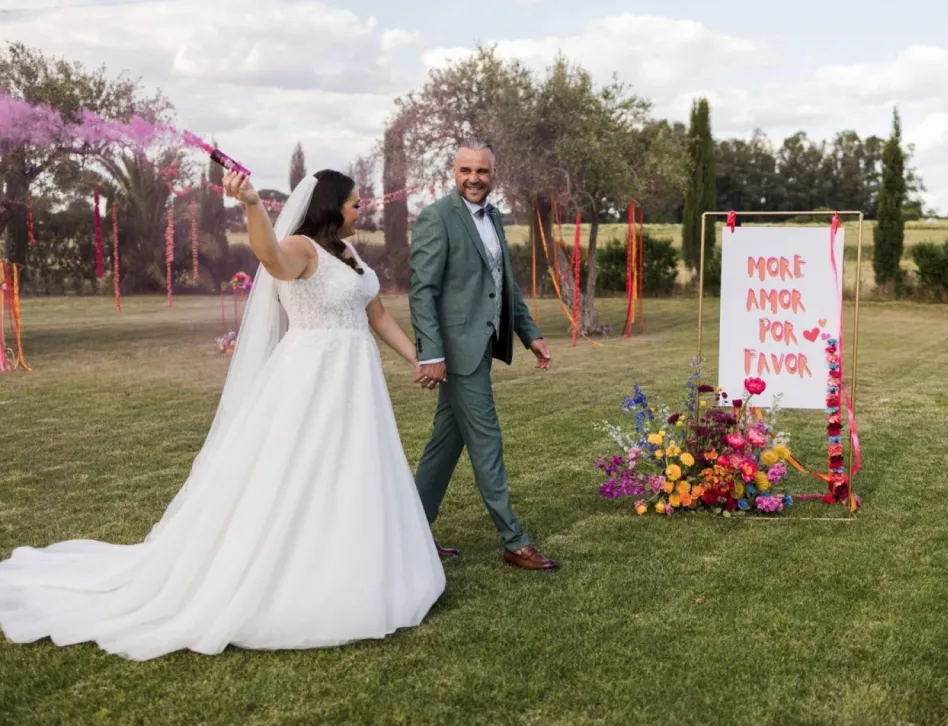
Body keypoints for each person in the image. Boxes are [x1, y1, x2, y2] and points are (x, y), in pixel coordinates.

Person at [0, 170, 445, 661]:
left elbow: (377, 315)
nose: (363, 211)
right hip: (312, 379)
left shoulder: (350, 255)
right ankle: (294, 576)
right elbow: (269, 258)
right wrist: (253, 205)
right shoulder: (299, 247)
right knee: (299, 472)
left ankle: (359, 565)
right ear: (331, 207)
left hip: (356, 382)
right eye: (356, 205)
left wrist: (421, 359)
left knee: (354, 470)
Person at [409, 137, 558, 571]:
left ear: (494, 174)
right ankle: (514, 540)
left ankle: (412, 531)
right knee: (487, 441)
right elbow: (423, 291)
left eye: (483, 171)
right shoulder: (438, 218)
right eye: (466, 171)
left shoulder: (493, 216)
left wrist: (530, 334)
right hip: (456, 353)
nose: (474, 179)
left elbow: (504, 284)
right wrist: (431, 353)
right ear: (453, 173)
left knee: (444, 445)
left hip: (482, 346)